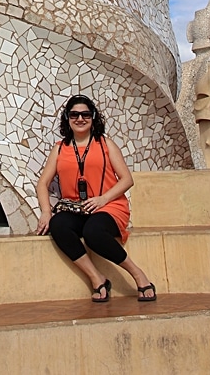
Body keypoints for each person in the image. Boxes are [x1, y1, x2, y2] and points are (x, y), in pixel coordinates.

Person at [36, 94, 156, 303]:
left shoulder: (105, 144)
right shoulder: (60, 148)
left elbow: (126, 179)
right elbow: (43, 183)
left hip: (108, 206)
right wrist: (46, 212)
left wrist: (103, 199)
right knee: (59, 225)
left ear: (93, 118)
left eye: (85, 114)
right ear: (67, 118)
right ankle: (97, 279)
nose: (80, 119)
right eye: (74, 114)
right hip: (77, 208)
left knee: (94, 232)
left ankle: (138, 275)